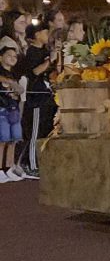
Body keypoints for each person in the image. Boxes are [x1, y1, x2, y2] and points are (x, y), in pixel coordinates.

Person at [18, 22, 56, 176]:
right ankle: (30, 164)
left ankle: (39, 162)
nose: (47, 34)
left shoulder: (44, 51)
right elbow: (34, 72)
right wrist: (49, 61)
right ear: (35, 36)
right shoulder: (32, 52)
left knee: (43, 131)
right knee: (34, 133)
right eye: (44, 32)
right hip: (35, 98)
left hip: (46, 97)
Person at [0, 39, 26, 182]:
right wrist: (10, 83)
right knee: (2, 139)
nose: (12, 58)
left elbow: (19, 90)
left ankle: (9, 167)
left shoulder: (15, 74)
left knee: (14, 139)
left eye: (15, 56)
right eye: (9, 55)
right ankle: (0, 168)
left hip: (14, 108)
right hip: (2, 108)